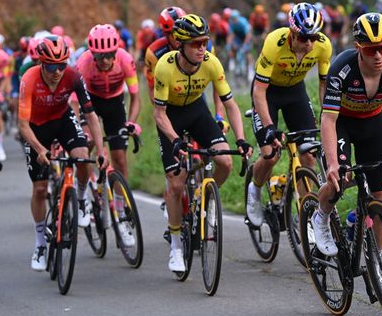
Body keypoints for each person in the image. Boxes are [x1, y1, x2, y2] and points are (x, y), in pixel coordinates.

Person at [311, 13, 382, 300]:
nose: (379, 55)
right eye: (372, 49)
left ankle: (374, 267)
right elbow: (328, 120)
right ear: (358, 48)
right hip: (341, 122)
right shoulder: (341, 69)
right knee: (338, 181)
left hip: (372, 123)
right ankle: (322, 215)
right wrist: (333, 162)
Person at [152, 14, 252, 272]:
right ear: (180, 45)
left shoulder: (212, 63)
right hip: (171, 116)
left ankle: (205, 197)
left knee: (225, 162)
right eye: (196, 43)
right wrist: (174, 140)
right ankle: (175, 245)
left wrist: (240, 139)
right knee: (176, 183)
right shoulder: (164, 66)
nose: (202, 48)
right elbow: (159, 114)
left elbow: (230, 103)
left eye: (204, 42)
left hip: (197, 112)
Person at [18, 35, 107, 271]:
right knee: (39, 188)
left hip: (62, 119)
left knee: (81, 157)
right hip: (36, 128)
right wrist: (39, 148)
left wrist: (100, 149)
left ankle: (80, 197)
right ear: (41, 63)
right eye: (51, 66)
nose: (57, 71)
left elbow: (90, 116)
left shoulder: (73, 75)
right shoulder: (29, 78)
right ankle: (39, 244)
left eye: (61, 65)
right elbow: (22, 125)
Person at [245, 2, 332, 227]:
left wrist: (328, 116)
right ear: (292, 33)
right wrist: (269, 127)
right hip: (268, 92)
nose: (310, 44)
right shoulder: (274, 42)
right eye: (304, 38)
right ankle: (254, 190)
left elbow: (324, 87)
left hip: (295, 92)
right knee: (271, 154)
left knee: (309, 156)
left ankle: (306, 215)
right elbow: (259, 92)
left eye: (314, 37)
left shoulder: (323, 46)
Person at [76, 24, 141, 246]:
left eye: (108, 55)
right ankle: (83, 192)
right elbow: (75, 102)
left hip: (114, 104)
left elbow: (135, 97)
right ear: (92, 54)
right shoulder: (83, 63)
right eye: (99, 56)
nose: (104, 60)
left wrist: (131, 122)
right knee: (87, 144)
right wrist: (78, 127)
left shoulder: (125, 60)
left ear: (116, 52)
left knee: (120, 161)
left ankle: (121, 214)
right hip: (90, 103)